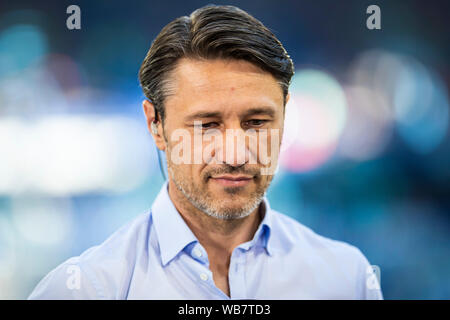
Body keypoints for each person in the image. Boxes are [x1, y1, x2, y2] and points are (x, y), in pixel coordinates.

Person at [28, 4, 382, 300]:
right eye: (206, 125)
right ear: (156, 125)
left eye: (257, 122)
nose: (235, 153)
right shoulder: (86, 290)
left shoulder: (345, 279)